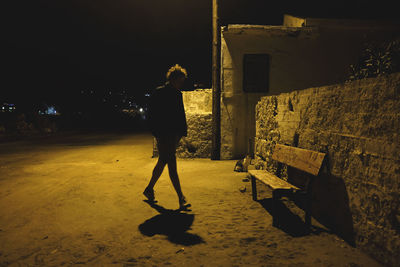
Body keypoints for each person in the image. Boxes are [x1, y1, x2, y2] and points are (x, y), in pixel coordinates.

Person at [143, 64, 190, 210]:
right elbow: (152, 115)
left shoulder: (176, 94)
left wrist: (182, 134)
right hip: (164, 135)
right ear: (174, 79)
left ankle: (149, 189)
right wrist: (157, 133)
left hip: (171, 135)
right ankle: (181, 197)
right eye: (180, 81)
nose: (181, 84)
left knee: (163, 161)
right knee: (171, 164)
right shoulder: (160, 93)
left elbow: (180, 116)